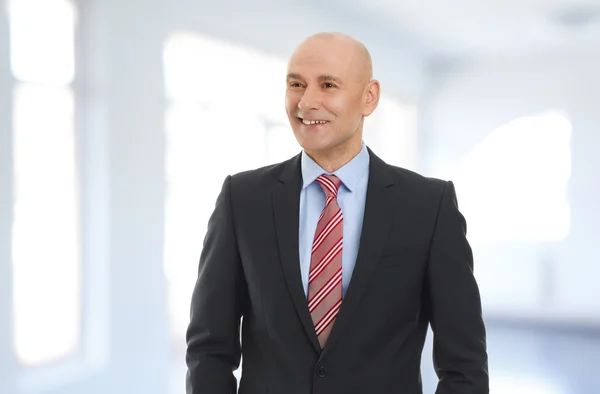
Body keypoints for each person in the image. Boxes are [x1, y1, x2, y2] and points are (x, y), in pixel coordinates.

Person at [185, 32, 489, 394]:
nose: (307, 101)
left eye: (328, 85)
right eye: (296, 84)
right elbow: (209, 350)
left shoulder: (429, 206)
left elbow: (465, 365)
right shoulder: (242, 199)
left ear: (368, 97)